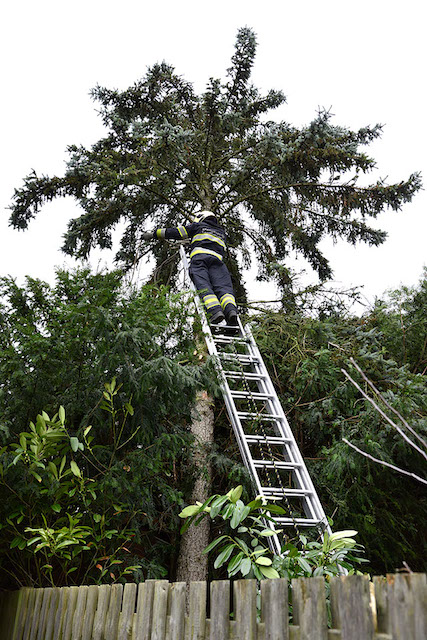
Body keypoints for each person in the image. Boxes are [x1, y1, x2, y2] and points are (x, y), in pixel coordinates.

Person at [143, 211, 238, 326]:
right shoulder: (221, 233)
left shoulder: (197, 226)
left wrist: (154, 234)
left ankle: (215, 311)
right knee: (224, 288)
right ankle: (231, 311)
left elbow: (177, 232)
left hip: (200, 260)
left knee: (203, 285)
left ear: (201, 217)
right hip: (218, 263)